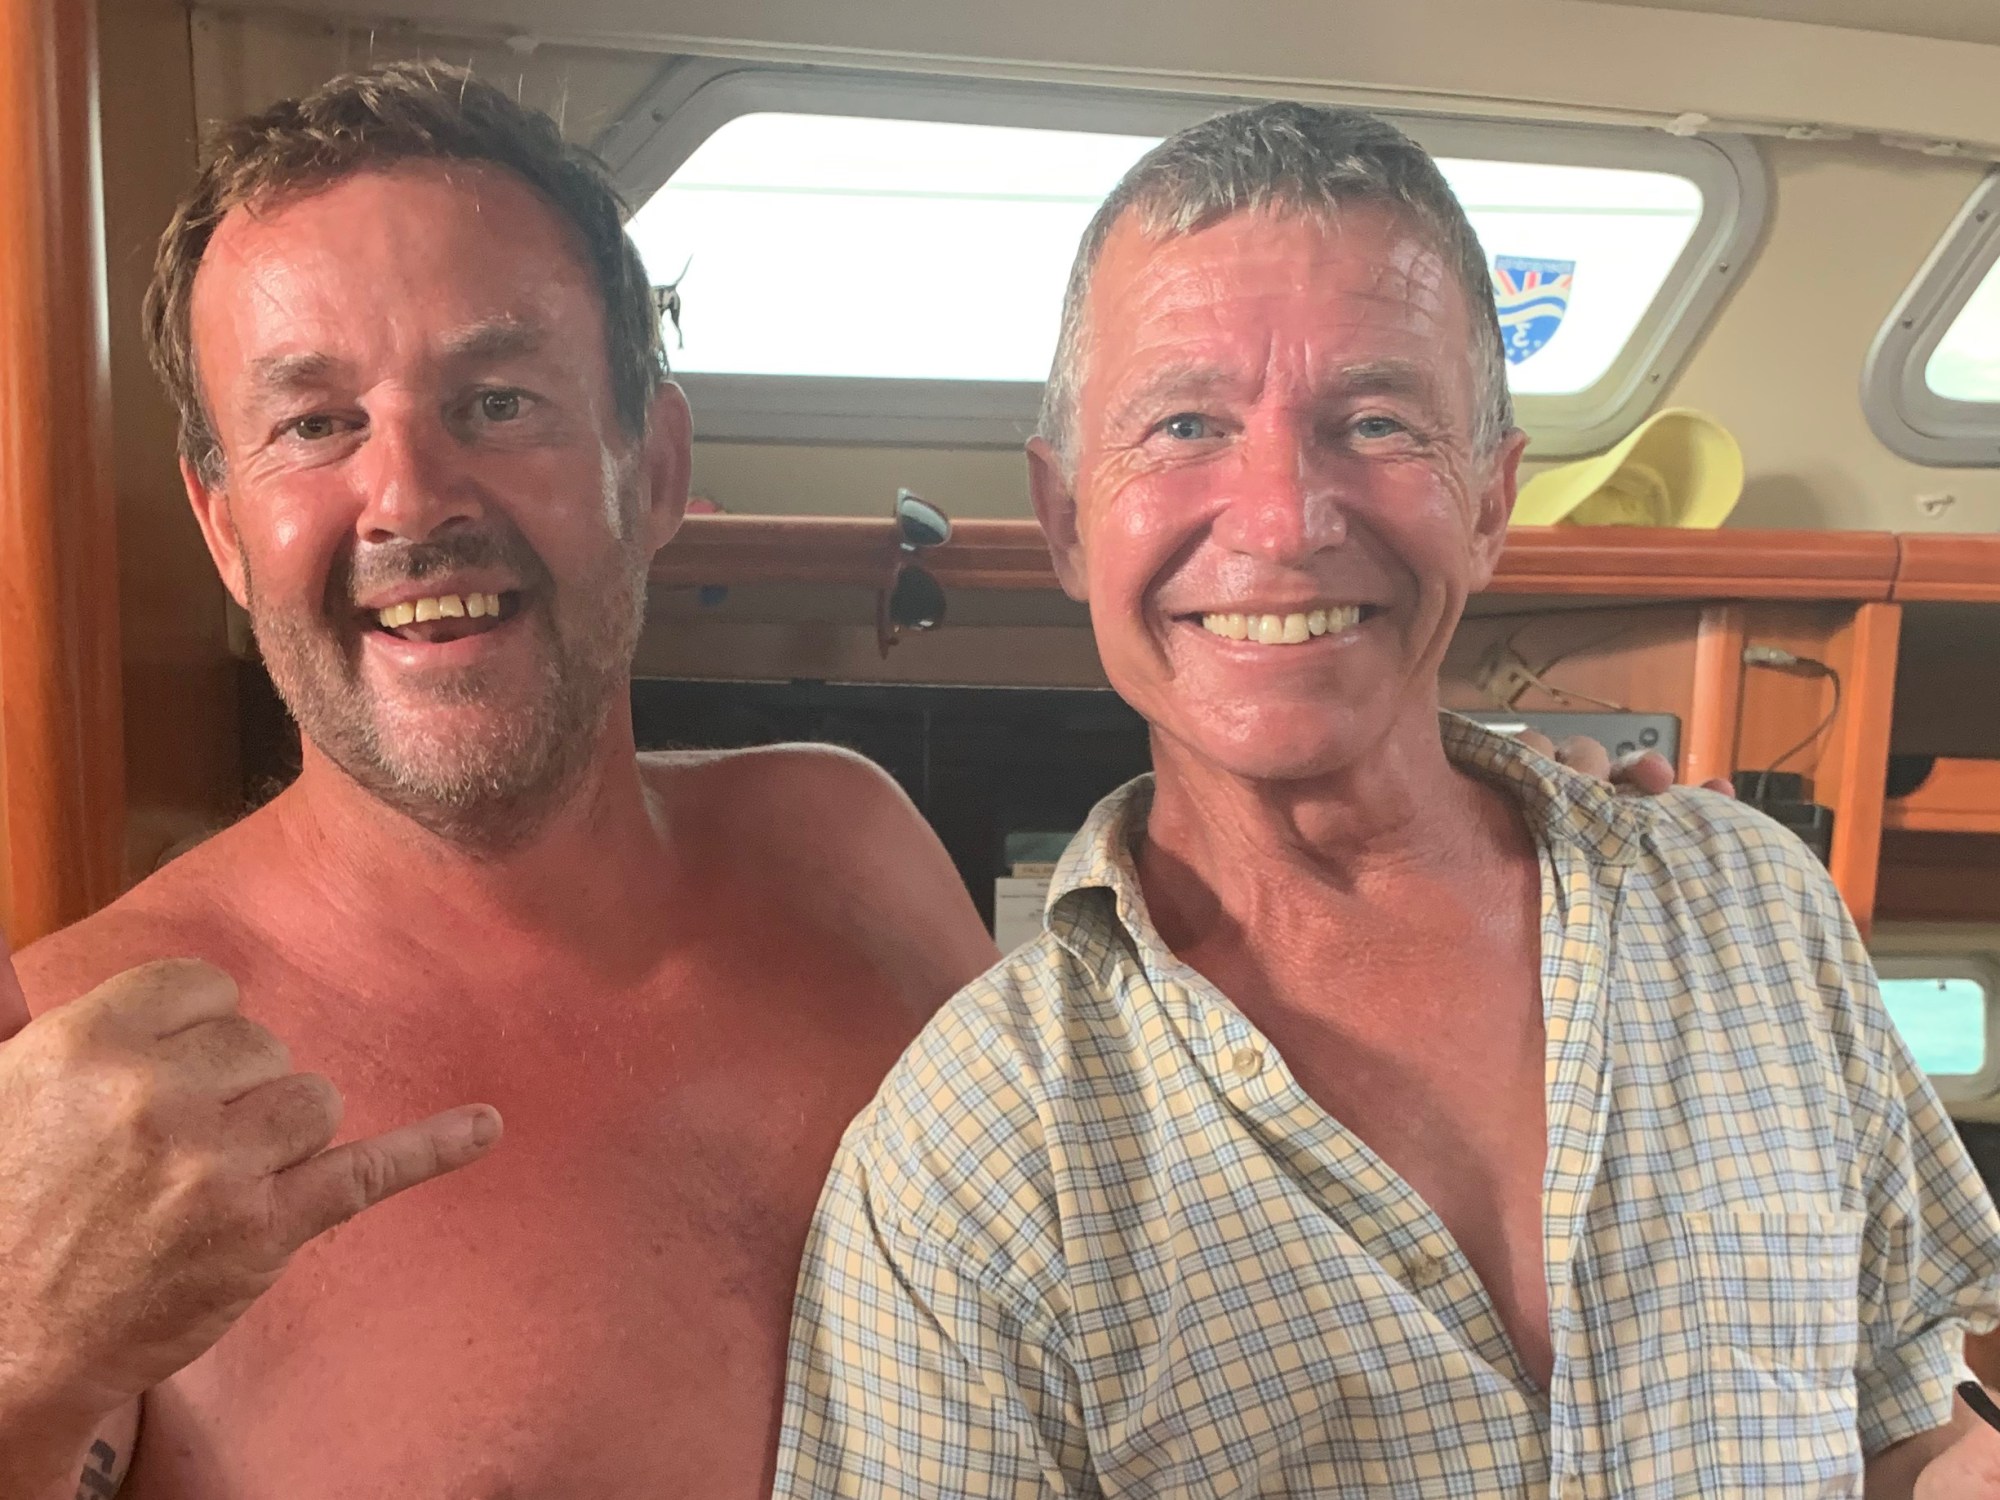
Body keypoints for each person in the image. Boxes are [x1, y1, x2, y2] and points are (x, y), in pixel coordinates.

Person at [0, 68, 1682, 1499]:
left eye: (496, 400)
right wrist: (18, 1361)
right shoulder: (89, 1081)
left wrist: (1466, 851)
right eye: (312, 425)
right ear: (223, 526)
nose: (409, 495)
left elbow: (1163, 1124)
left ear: (657, 466)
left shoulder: (844, 836)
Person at [775, 103, 2000, 1499]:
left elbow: (1908, 1415)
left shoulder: (1751, 907)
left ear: (1489, 500)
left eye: (1373, 423)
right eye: (1184, 424)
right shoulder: (969, 1162)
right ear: (1065, 520)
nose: (1284, 518)